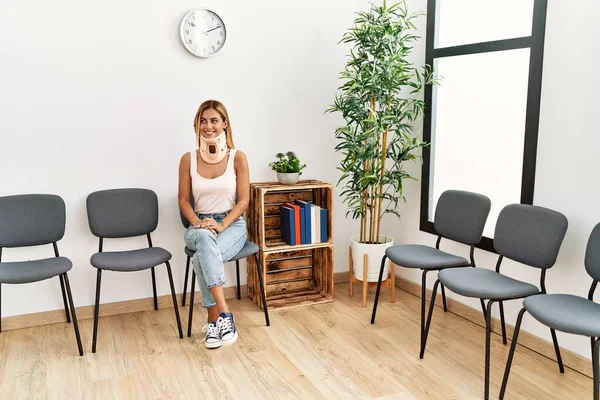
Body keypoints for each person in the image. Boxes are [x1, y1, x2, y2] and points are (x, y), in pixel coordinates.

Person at [178, 100, 249, 349]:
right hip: (198, 226)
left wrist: (222, 224)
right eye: (203, 120)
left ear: (225, 124)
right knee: (205, 241)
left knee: (201, 258)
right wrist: (197, 222)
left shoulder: (237, 157)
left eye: (214, 120)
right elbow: (184, 201)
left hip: (232, 224)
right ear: (197, 124)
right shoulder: (188, 159)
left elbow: (244, 200)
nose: (208, 126)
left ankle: (212, 322)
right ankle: (225, 312)